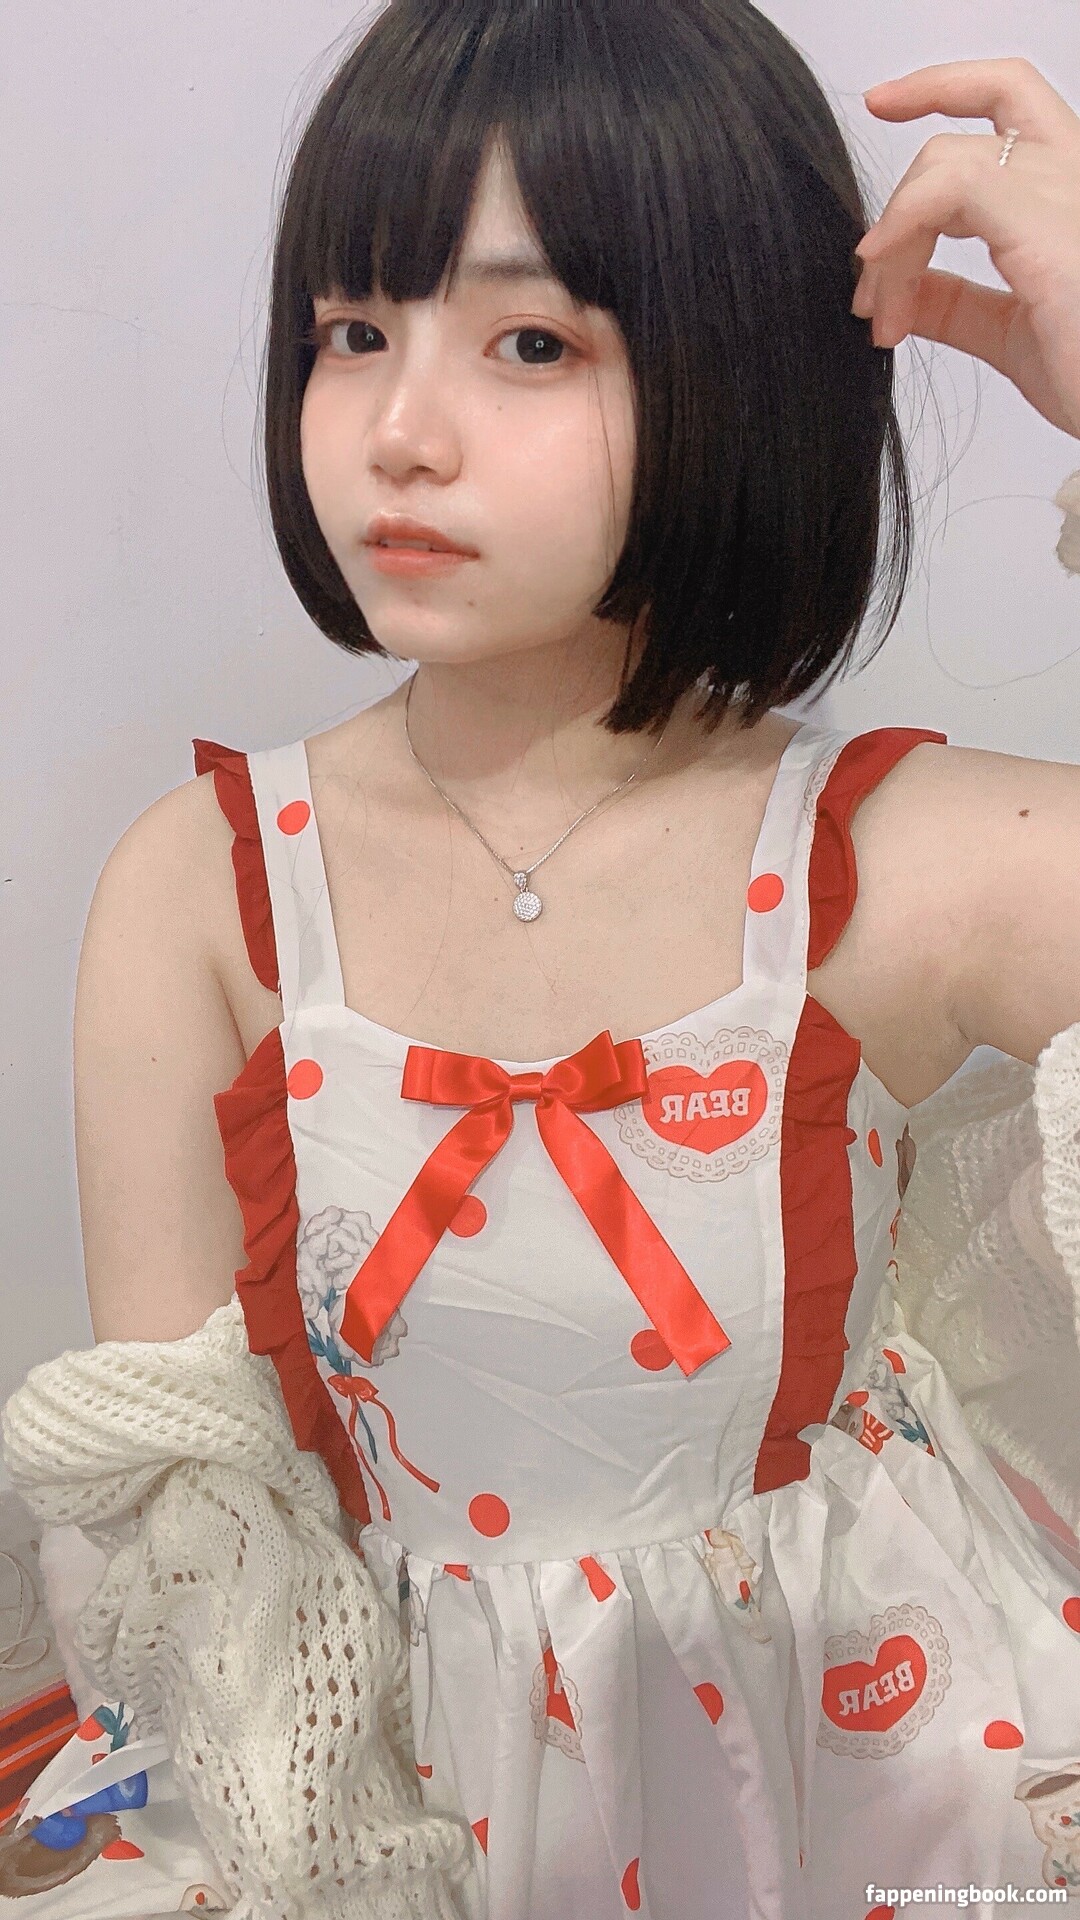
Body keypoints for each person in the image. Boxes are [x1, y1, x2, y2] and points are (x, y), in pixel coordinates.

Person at [17, 2, 1080, 1917]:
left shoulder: (914, 863)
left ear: (738, 365)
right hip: (398, 1807)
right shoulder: (200, 890)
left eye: (530, 343)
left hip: (870, 1780)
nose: (397, 432)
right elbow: (189, 1537)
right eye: (354, 330)